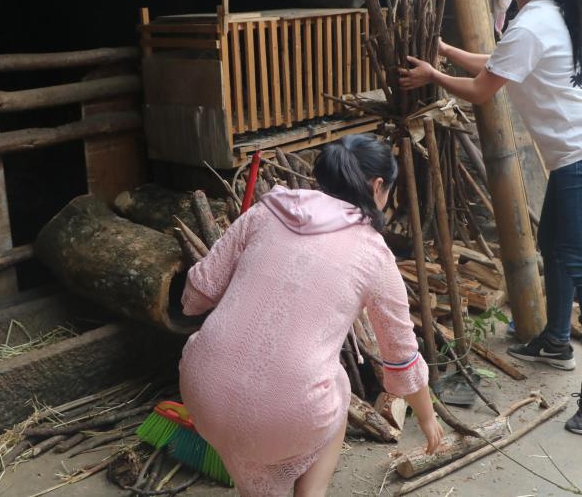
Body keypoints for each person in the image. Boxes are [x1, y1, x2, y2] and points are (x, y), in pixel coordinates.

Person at [399, 0, 582, 435]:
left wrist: (434, 76)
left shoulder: (533, 23)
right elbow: (501, 65)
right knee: (554, 247)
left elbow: (483, 90)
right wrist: (445, 51)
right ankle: (556, 341)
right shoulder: (548, 15)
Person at [178, 135, 442, 496]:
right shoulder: (373, 254)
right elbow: (401, 359)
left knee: (257, 434)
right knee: (338, 384)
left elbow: (198, 292)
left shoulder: (268, 210)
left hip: (202, 393)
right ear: (378, 186)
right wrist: (427, 419)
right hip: (286, 415)